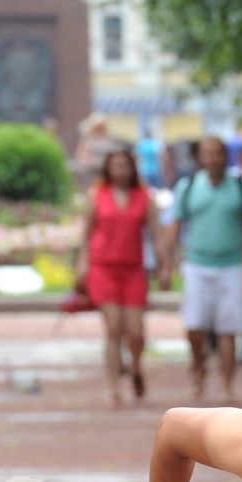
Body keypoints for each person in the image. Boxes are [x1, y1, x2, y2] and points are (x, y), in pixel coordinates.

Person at [162, 135, 242, 399]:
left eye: (217, 153)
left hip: (233, 266)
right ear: (199, 158)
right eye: (207, 154)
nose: (212, 159)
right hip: (197, 265)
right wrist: (166, 263)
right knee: (194, 325)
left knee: (228, 329)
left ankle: (227, 384)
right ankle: (198, 366)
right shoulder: (189, 185)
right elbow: (176, 224)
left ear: (225, 156)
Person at [79, 147, 157, 405]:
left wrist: (165, 264)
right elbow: (86, 233)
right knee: (113, 327)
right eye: (115, 166)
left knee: (136, 331)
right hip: (103, 267)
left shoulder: (144, 195)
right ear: (108, 169)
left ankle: (135, 366)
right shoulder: (97, 195)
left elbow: (155, 234)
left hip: (133, 269)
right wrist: (82, 265)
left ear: (132, 168)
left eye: (125, 165)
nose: (120, 171)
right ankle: (113, 386)